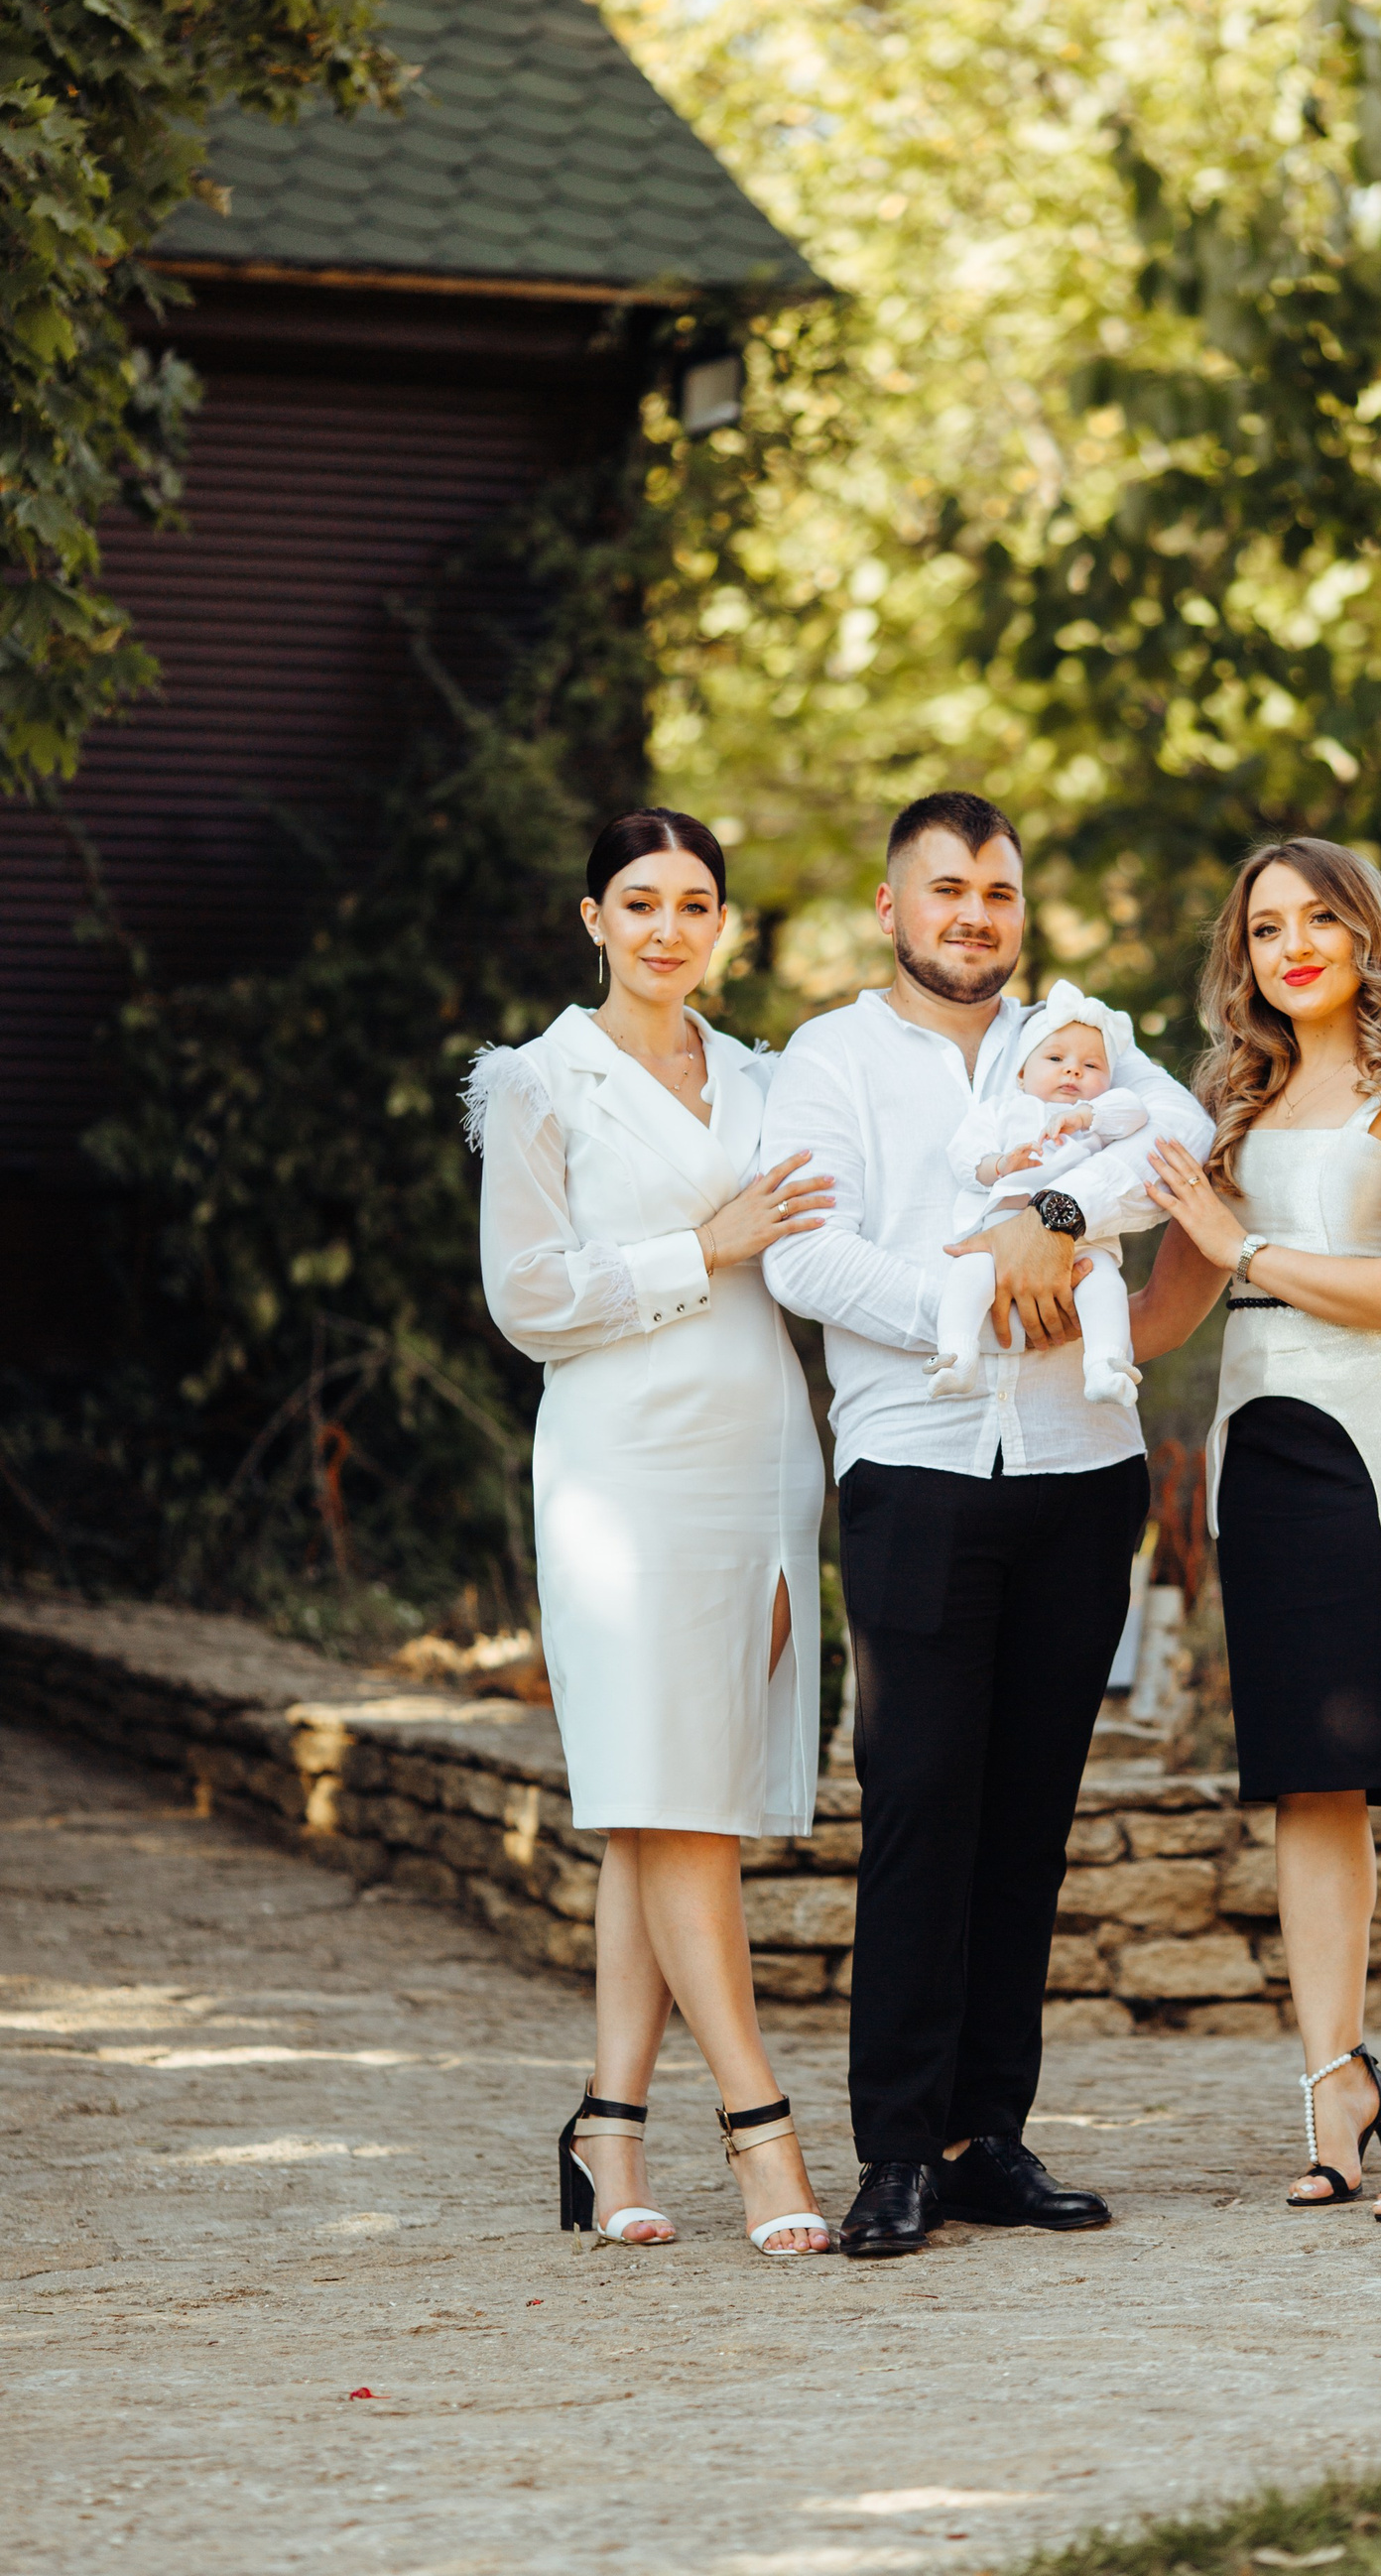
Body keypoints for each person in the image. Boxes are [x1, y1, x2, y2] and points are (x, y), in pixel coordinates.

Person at [761, 791, 1213, 2259]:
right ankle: (896, 2149)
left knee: (1028, 1815)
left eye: (998, 892)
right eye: (946, 888)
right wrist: (985, 1300)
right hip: (916, 1465)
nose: (974, 915)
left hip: (1084, 1472)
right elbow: (806, 1257)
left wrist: (1056, 1224)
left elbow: (1185, 1137)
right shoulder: (828, 1058)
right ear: (891, 907)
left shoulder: (1079, 1036)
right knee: (917, 1807)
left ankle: (984, 2139)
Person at [464, 806, 836, 2258]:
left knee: (665, 1797)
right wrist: (705, 1246)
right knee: (679, 1802)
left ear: (722, 924)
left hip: (762, 1453)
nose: (667, 928)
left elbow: (823, 1242)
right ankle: (760, 2128)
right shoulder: (539, 1080)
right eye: (639, 901)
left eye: (693, 904)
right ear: (594, 920)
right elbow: (528, 1298)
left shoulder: (766, 1079)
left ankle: (608, 2131)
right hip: (624, 1467)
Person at [1131, 834, 1381, 2224]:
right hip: (1268, 1454)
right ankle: (1336, 2086)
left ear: (1365, 932)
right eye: (1264, 927)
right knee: (1305, 1780)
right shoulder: (1227, 1104)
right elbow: (1163, 1317)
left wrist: (1240, 1247)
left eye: (1317, 920)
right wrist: (1015, 1276)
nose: (1291, 946)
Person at [932, 982, 1154, 1409]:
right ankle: (956, 1355)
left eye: (1091, 1065)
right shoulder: (1003, 1110)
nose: (1073, 1072)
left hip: (1084, 1236)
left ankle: (1106, 1365)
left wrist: (1086, 1115)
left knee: (1104, 1284)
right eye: (1055, 1059)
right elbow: (964, 1158)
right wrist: (1001, 1164)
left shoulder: (1098, 1120)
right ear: (1021, 1073)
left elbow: (1136, 1112)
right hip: (1004, 1228)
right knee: (968, 1271)